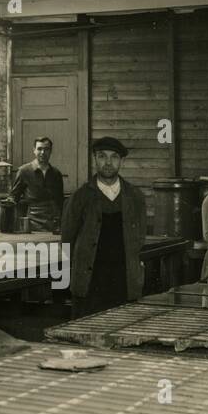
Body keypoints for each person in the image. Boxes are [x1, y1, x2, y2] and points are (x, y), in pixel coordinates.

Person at [62, 136, 148, 318]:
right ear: (95, 159)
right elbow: (67, 240)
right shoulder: (80, 197)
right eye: (102, 156)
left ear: (122, 161)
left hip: (124, 282)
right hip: (90, 283)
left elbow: (140, 237)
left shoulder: (135, 197)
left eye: (114, 157)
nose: (108, 162)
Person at [9, 136, 65, 232]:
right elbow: (14, 197)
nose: (43, 153)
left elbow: (60, 200)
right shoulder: (24, 171)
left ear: (50, 151)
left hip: (54, 223)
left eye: (46, 149)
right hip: (33, 223)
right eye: (39, 149)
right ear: (34, 150)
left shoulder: (56, 173)